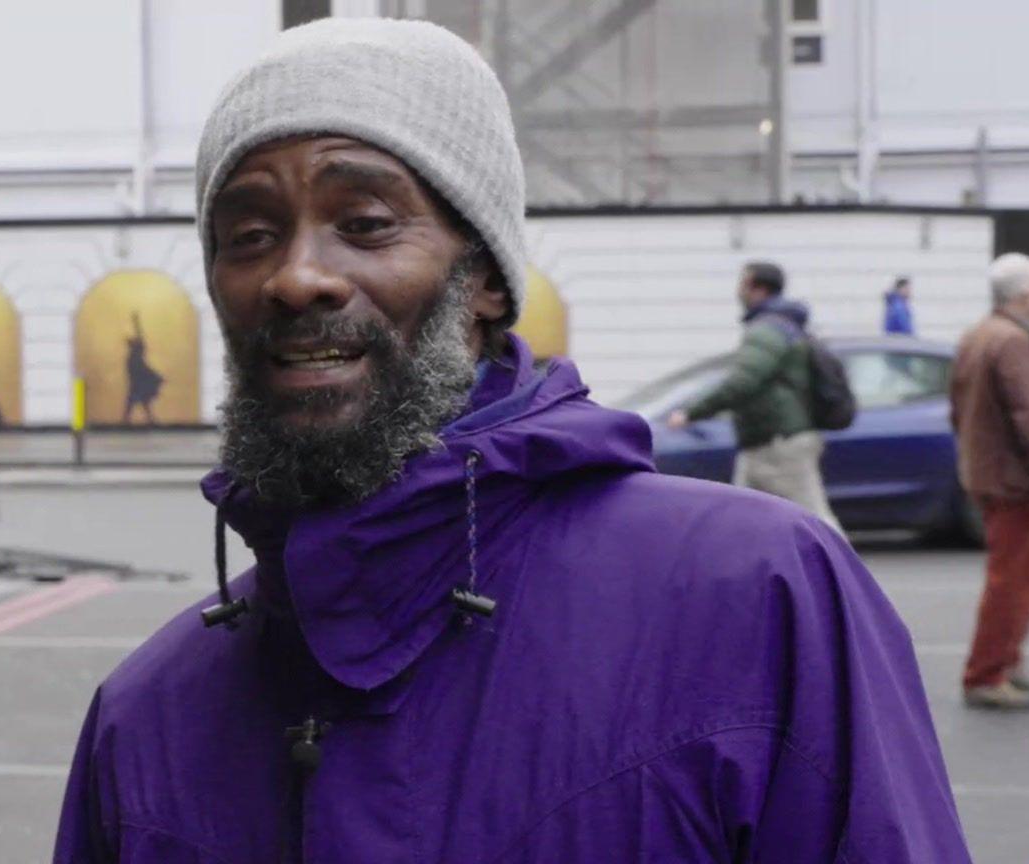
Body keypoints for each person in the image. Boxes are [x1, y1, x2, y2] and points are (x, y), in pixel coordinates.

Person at [54, 18, 968, 862]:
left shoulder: (758, 596)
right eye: (249, 235)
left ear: (487, 278)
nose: (296, 277)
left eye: (366, 223)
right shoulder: (144, 717)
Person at [951, 253, 1029, 711]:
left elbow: (957, 407)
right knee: (1012, 578)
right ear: (1024, 295)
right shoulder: (1014, 341)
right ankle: (987, 673)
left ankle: (1006, 660)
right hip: (1010, 479)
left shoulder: (977, 334)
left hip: (985, 471)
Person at [667, 262, 843, 533]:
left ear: (758, 289)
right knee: (741, 522)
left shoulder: (767, 330)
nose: (738, 291)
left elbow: (743, 381)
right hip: (765, 442)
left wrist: (691, 412)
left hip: (778, 444)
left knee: (816, 523)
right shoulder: (783, 325)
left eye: (743, 284)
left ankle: (844, 574)